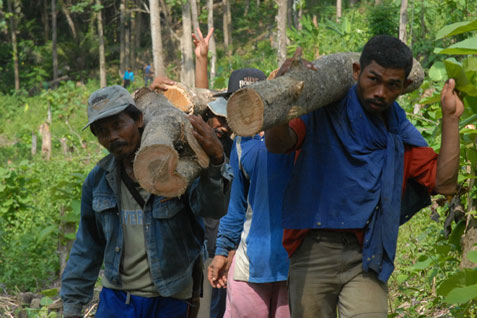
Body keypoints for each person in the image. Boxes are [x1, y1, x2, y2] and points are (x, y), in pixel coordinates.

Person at [265, 35, 464, 317]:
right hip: (314, 250)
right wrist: (283, 100)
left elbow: (445, 184)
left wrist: (451, 119)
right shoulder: (324, 109)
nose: (380, 92)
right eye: (373, 79)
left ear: (405, 86)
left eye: (392, 84)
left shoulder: (398, 132)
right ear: (357, 72)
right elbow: (277, 144)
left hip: (366, 256)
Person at [60, 84, 233, 318]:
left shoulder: (178, 167)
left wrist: (216, 161)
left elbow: (213, 208)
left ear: (139, 120)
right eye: (102, 131)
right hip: (118, 299)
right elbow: (87, 245)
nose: (112, 137)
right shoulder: (99, 180)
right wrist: (72, 305)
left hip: (171, 298)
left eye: (118, 125)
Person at [208, 125, 294, 317]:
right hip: (252, 260)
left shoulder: (301, 133)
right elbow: (235, 205)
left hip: (295, 262)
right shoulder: (242, 141)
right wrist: (222, 250)